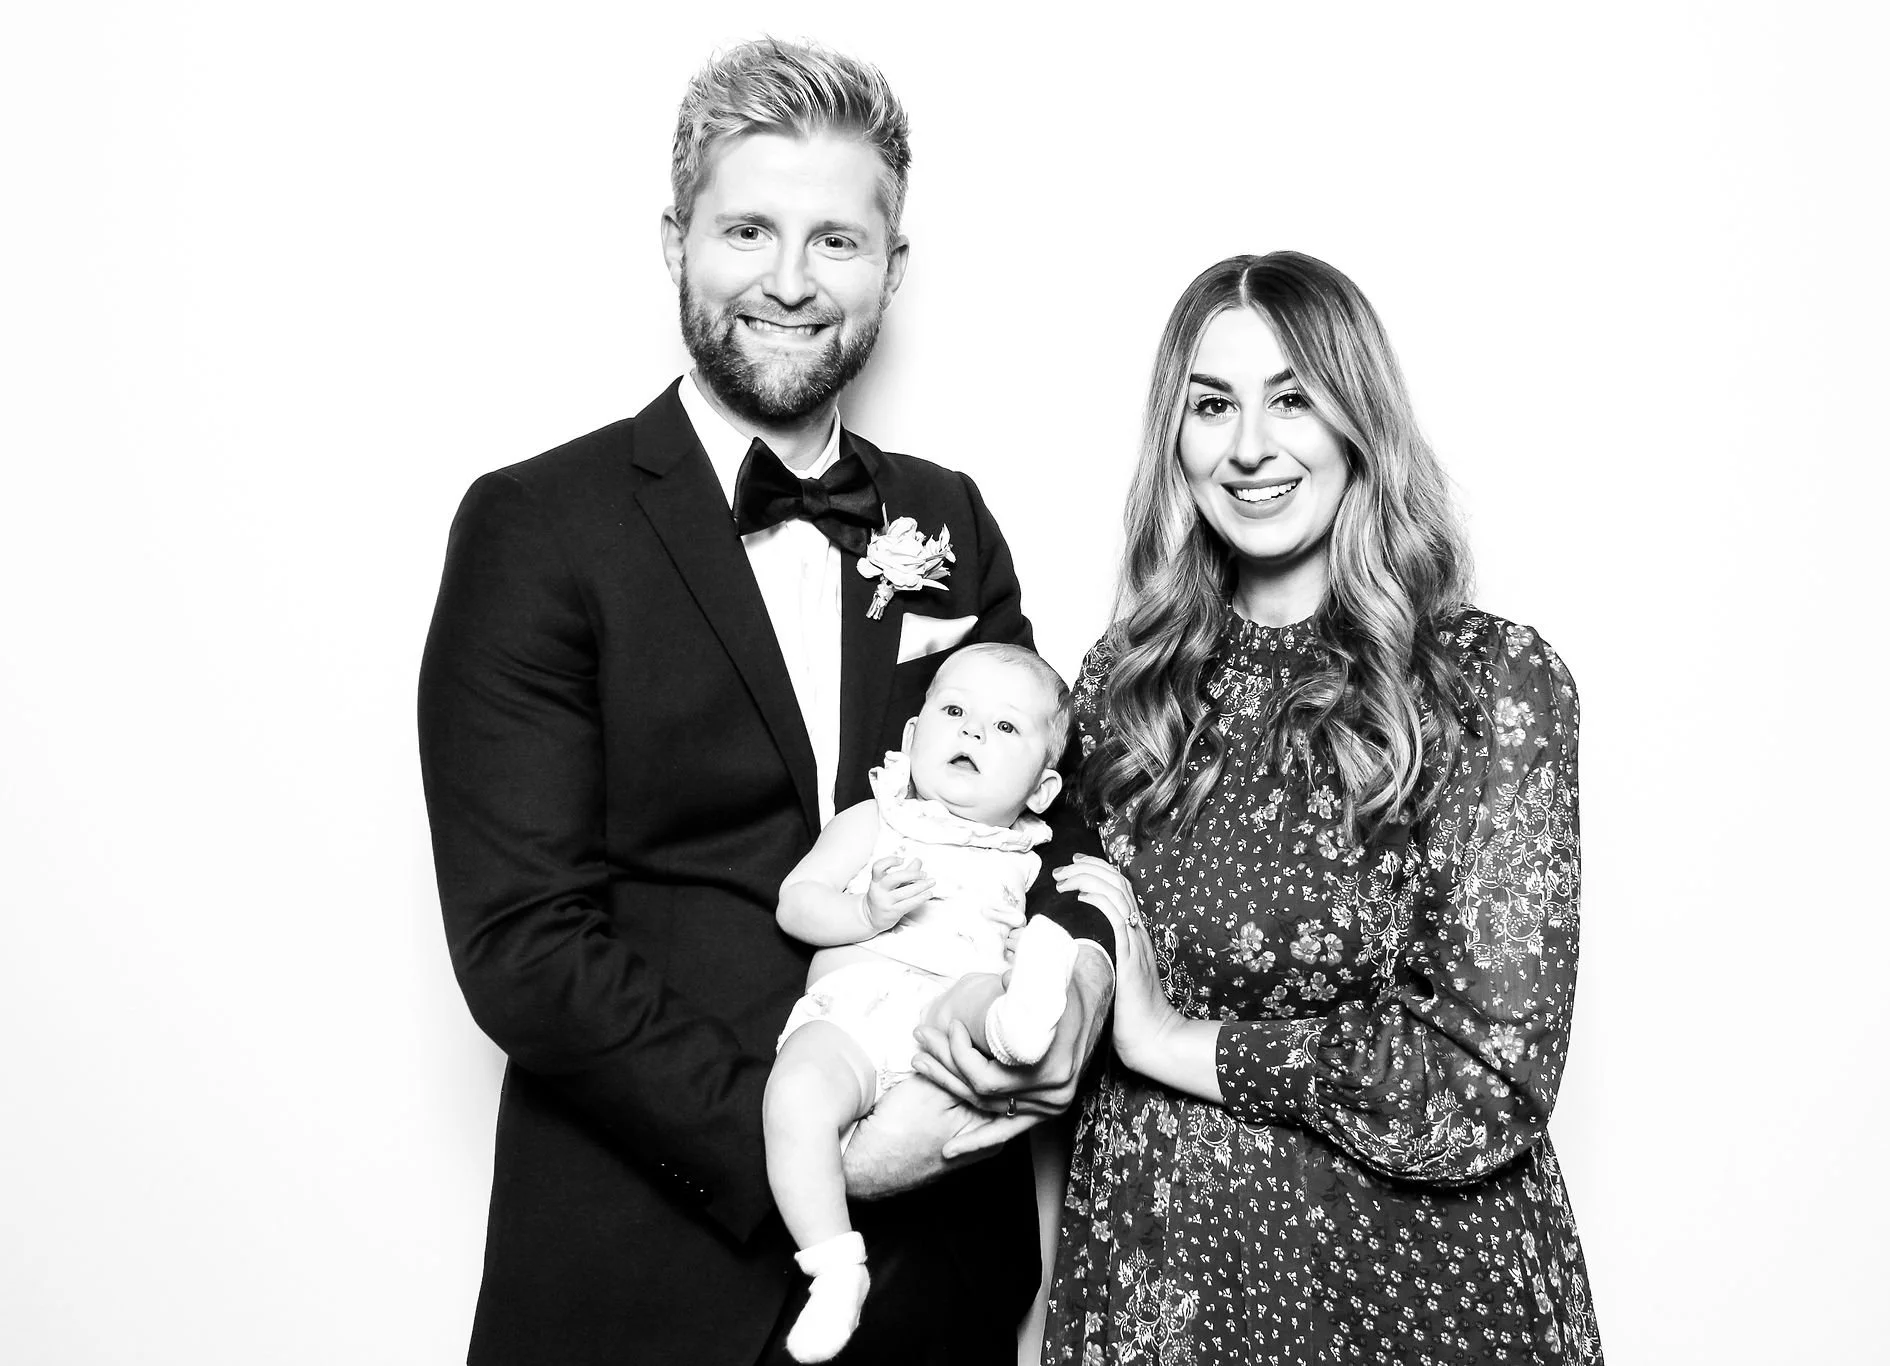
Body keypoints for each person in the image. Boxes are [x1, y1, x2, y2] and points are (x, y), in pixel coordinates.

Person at [417, 39, 1109, 1366]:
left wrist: (1076, 965)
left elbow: (1054, 813)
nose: (792, 280)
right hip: (643, 1269)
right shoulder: (534, 527)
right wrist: (828, 1145)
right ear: (676, 239)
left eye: (838, 240)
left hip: (940, 1283)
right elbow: (524, 940)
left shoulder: (944, 517)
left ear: (894, 268)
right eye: (749, 229)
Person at [1040, 252, 1602, 1364]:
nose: (1248, 444)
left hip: (1410, 1300)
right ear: (1177, 437)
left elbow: (1485, 1080)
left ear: (1358, 421)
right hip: (1160, 1287)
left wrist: (1167, 1040)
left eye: (1291, 397)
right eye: (1211, 404)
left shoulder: (1486, 684)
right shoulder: (1119, 687)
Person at [766, 644, 1105, 1361]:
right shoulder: (876, 820)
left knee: (985, 991)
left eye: (1005, 728)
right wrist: (865, 913)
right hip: (854, 1015)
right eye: (954, 712)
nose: (973, 733)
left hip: (946, 1017)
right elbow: (796, 902)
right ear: (914, 739)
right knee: (794, 1095)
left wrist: (1030, 962)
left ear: (1042, 790)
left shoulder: (1027, 852)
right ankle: (834, 1269)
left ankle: (1018, 1018)